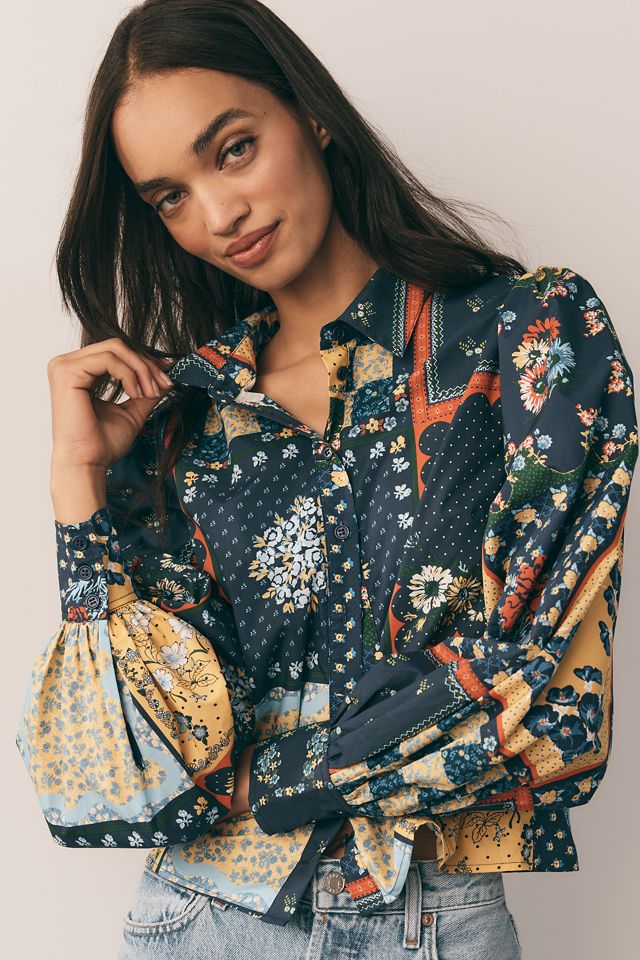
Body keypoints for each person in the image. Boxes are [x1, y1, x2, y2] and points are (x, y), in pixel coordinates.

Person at [15, 1, 638, 958]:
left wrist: (263, 779)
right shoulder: (186, 422)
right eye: (170, 197)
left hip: (430, 914)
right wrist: (78, 479)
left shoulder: (527, 338)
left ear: (310, 113)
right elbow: (120, 780)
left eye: (233, 150)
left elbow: (546, 699)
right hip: (196, 920)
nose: (218, 216)